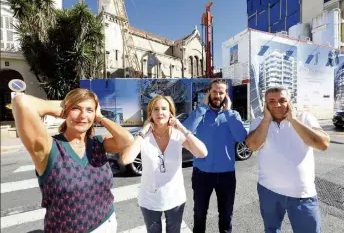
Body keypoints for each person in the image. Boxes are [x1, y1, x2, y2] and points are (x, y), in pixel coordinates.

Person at [11, 88, 134, 232]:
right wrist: (63, 107)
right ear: (64, 110)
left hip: (106, 223)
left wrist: (100, 117)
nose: (83, 116)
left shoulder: (98, 144)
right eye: (76, 108)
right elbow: (21, 102)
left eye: (89, 110)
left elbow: (127, 140)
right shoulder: (49, 147)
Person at [245, 86, 330, 233]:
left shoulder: (305, 118)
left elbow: (322, 144)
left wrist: (293, 119)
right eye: (271, 101)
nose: (277, 105)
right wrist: (266, 120)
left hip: (302, 194)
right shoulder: (259, 122)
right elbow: (252, 146)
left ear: (290, 102)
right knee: (271, 230)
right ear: (265, 104)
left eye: (282, 100)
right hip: (268, 191)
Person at [121, 95, 208, 233]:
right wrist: (144, 130)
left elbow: (202, 153)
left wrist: (181, 127)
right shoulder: (144, 137)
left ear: (170, 113)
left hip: (174, 198)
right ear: (150, 113)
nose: (160, 112)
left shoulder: (178, 135)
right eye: (155, 109)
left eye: (164, 109)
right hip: (149, 198)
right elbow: (127, 159)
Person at [182, 79, 248, 233]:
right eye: (214, 92)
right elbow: (185, 132)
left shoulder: (233, 115)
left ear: (226, 95)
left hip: (226, 175)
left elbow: (240, 137)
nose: (217, 95)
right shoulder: (200, 114)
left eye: (221, 92)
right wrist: (202, 108)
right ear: (208, 93)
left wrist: (228, 112)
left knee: (226, 217)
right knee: (199, 215)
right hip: (201, 174)